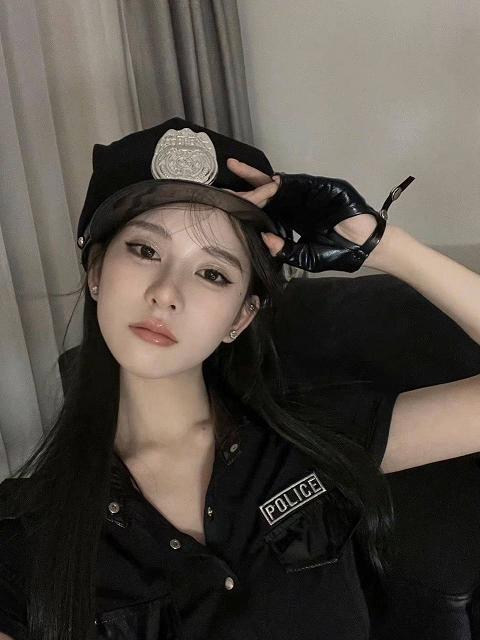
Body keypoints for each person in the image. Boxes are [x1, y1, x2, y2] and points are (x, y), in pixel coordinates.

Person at [0, 116, 479, 640]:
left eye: (212, 273)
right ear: (96, 272)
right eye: (145, 250)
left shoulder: (310, 440)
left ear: (241, 317)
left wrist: (383, 247)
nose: (166, 292)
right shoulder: (23, 538)